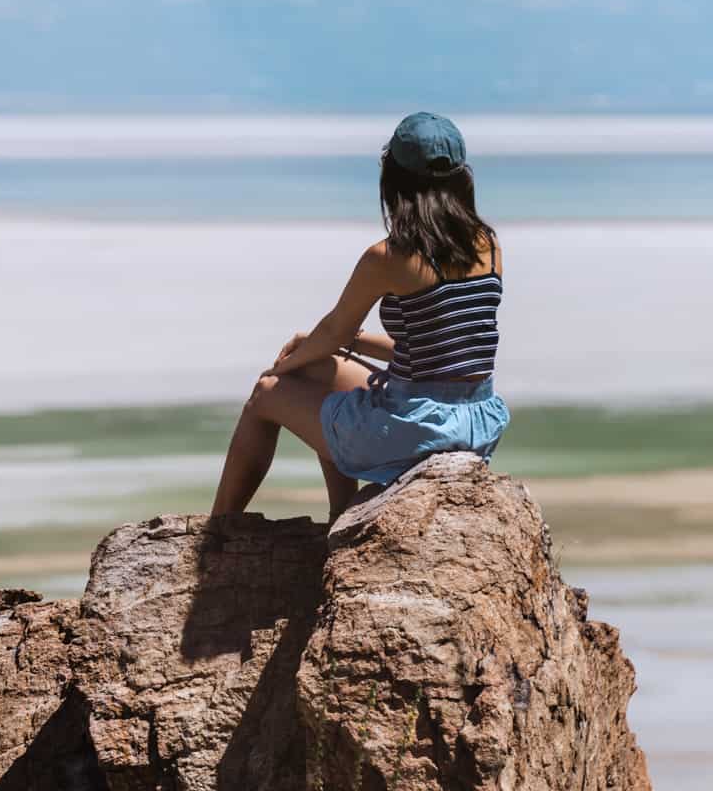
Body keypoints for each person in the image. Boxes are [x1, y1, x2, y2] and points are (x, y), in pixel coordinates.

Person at [209, 112, 510, 521]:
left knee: (267, 394)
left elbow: (334, 329)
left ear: (394, 182)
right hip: (474, 424)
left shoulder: (388, 256)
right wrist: (340, 347)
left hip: (418, 429)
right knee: (324, 373)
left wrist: (286, 364)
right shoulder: (487, 245)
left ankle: (218, 532)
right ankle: (342, 514)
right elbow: (440, 352)